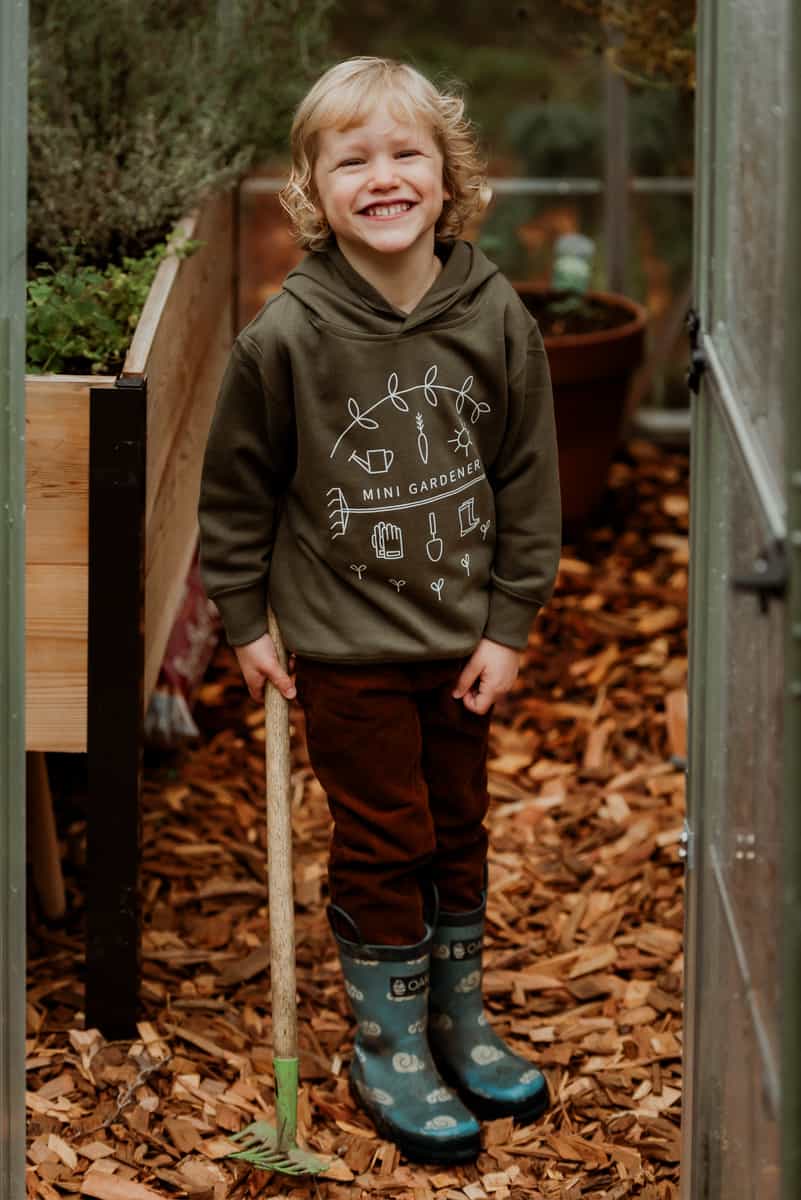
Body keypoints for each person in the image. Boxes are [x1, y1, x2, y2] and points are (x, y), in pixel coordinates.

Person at [198, 56, 561, 1165]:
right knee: (385, 835)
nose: (385, 177)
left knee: (458, 827)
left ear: (448, 181)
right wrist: (245, 619)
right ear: (314, 190)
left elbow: (527, 482)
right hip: (345, 651)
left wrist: (509, 627)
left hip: (460, 648)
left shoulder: (495, 315)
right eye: (352, 160)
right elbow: (239, 490)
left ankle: (458, 1015)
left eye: (407, 154)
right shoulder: (288, 339)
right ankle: (388, 1040)